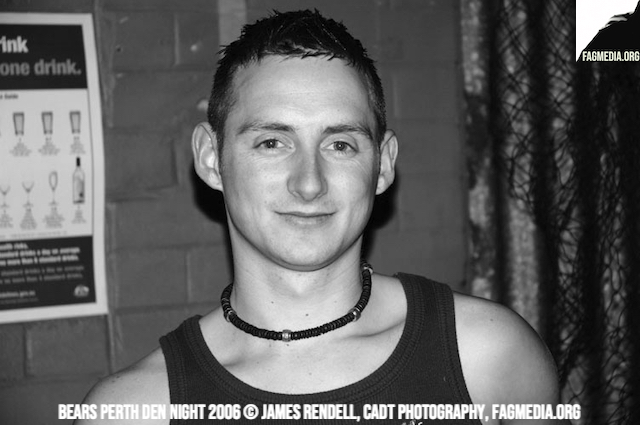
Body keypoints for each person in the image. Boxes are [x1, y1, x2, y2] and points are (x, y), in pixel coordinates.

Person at [77, 9, 561, 424]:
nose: (309, 183)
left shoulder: (489, 356)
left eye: (340, 144)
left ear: (383, 165)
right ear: (210, 158)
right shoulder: (135, 409)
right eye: (272, 142)